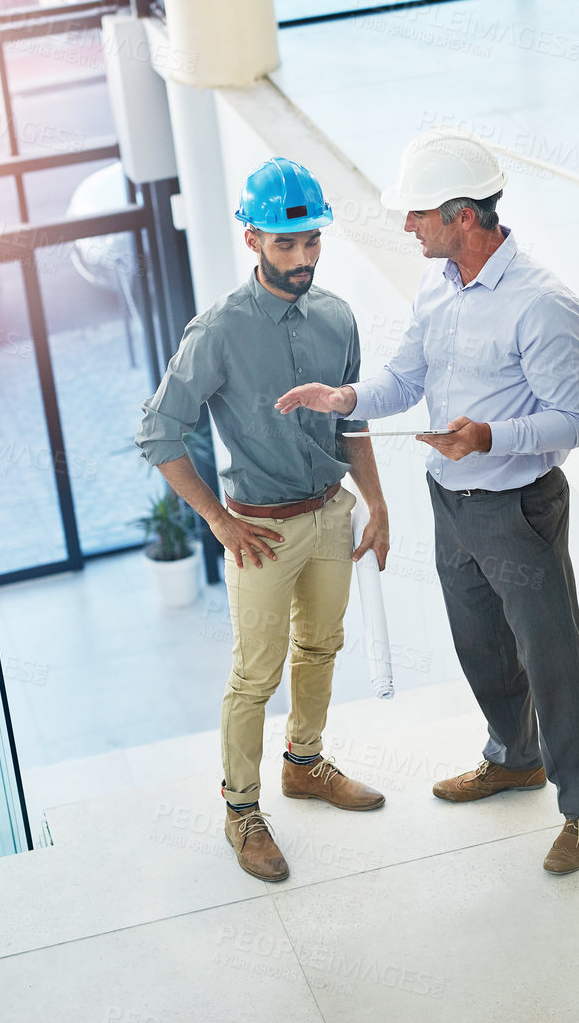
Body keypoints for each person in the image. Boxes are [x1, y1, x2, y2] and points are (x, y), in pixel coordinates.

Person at [275, 130, 579, 874]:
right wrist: (345, 398)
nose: (406, 225)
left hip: (516, 505)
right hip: (449, 499)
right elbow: (406, 376)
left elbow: (573, 422)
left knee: (549, 656)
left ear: (464, 216)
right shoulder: (440, 287)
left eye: (418, 213)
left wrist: (487, 436)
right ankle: (514, 757)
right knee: (480, 646)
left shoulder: (543, 304)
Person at [136, 156, 391, 883]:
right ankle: (240, 809)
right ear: (252, 239)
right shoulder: (218, 331)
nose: (302, 257)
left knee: (322, 647)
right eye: (286, 244)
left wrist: (375, 503)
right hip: (260, 532)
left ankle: (304, 764)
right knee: (255, 677)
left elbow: (354, 419)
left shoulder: (336, 316)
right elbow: (159, 431)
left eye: (311, 241)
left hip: (330, 515)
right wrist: (217, 521)